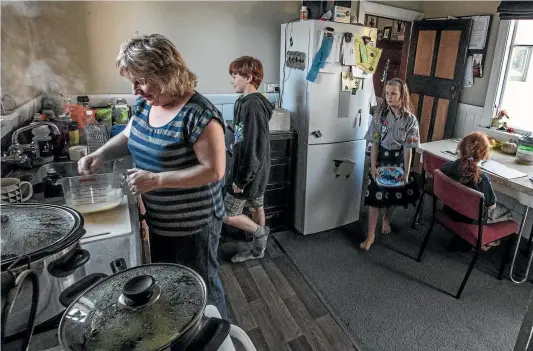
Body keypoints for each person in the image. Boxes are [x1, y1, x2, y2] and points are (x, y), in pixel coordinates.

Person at [77, 34, 227, 317]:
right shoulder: (147, 104)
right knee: (171, 284)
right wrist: (101, 154)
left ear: (167, 73)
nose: (135, 90)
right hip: (161, 219)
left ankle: (215, 340)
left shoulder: (199, 114)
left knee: (202, 288)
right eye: (132, 81)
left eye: (141, 80)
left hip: (193, 224)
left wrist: (157, 180)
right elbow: (129, 134)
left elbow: (214, 171)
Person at [223, 56, 273, 263]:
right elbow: (243, 136)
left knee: (226, 213)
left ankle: (259, 234)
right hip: (257, 171)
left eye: (235, 75)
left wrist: (241, 179)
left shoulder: (252, 106)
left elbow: (253, 147)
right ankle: (258, 251)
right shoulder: (244, 102)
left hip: (249, 172)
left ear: (249, 77)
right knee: (256, 207)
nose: (232, 79)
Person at [362, 78, 421, 251]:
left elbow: (408, 149)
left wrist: (407, 171)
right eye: (387, 93)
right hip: (381, 157)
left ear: (402, 96)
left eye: (393, 94)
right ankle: (371, 235)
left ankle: (387, 218)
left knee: (394, 194)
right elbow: (374, 143)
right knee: (374, 197)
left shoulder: (410, 120)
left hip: (399, 160)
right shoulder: (380, 116)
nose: (389, 97)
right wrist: (373, 166)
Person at [440, 132, 514, 250]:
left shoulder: (448, 166)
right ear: (484, 155)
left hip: (449, 210)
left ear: (460, 148)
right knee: (507, 212)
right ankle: (483, 241)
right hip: (470, 219)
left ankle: (463, 238)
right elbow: (491, 206)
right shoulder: (481, 179)